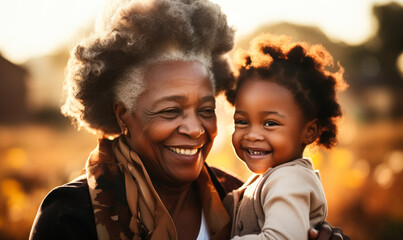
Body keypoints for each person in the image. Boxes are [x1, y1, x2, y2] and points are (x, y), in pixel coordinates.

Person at [29, 0, 349, 239]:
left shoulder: (237, 199)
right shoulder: (71, 216)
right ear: (123, 114)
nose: (195, 129)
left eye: (206, 110)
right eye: (170, 111)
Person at [223, 34, 349, 240]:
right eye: (242, 121)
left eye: (270, 123)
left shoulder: (290, 179)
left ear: (309, 131)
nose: (252, 135)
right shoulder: (272, 177)